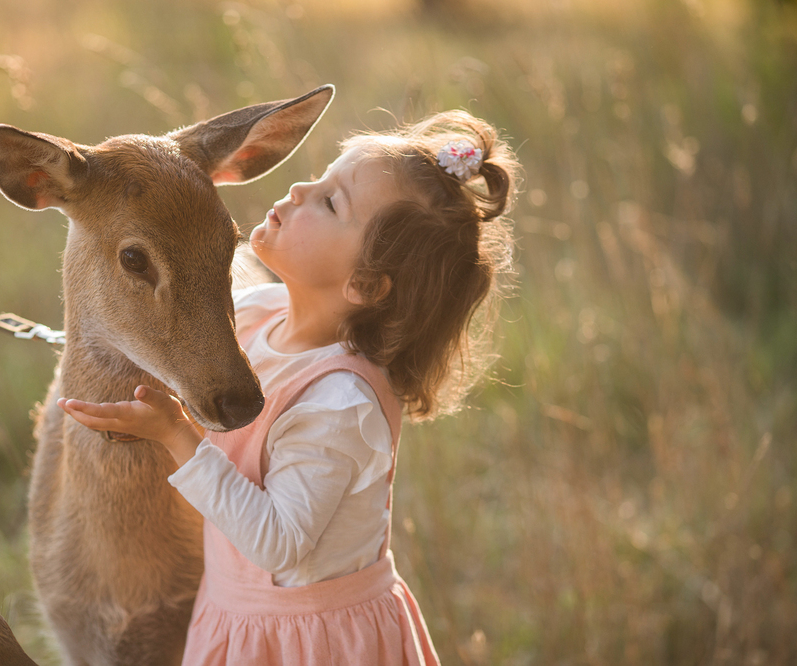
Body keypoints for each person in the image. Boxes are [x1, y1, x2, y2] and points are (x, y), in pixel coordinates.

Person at [58, 109, 520, 666]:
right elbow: (170, 325)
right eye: (321, 175)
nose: (299, 187)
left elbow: (278, 543)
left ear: (364, 283)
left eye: (331, 202)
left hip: (312, 642)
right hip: (236, 621)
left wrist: (180, 438)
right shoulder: (254, 316)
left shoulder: (340, 404)